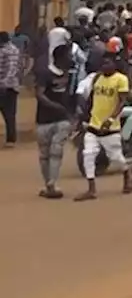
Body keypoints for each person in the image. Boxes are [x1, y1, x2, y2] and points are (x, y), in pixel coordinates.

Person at [76, 53, 132, 201]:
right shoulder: (97, 78)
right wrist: (85, 115)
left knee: (116, 158)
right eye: (103, 64)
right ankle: (91, 189)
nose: (105, 67)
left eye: (108, 63)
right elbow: (91, 98)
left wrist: (111, 119)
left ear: (114, 64)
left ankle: (127, 174)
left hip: (110, 127)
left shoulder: (121, 79)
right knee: (88, 155)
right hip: (94, 124)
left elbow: (121, 102)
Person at [35, 44, 77, 197]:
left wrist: (70, 113)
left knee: (56, 151)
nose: (71, 58)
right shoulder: (45, 73)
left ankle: (52, 182)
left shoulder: (69, 74)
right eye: (68, 55)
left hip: (62, 119)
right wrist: (56, 107)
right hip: (44, 119)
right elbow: (39, 94)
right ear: (60, 57)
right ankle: (49, 185)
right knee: (44, 154)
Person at [0, 31, 20, 147]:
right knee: (10, 113)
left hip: (6, 87)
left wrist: (3, 84)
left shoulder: (7, 51)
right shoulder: (11, 49)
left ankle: (11, 139)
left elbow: (10, 70)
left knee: (9, 113)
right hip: (9, 86)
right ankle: (11, 139)